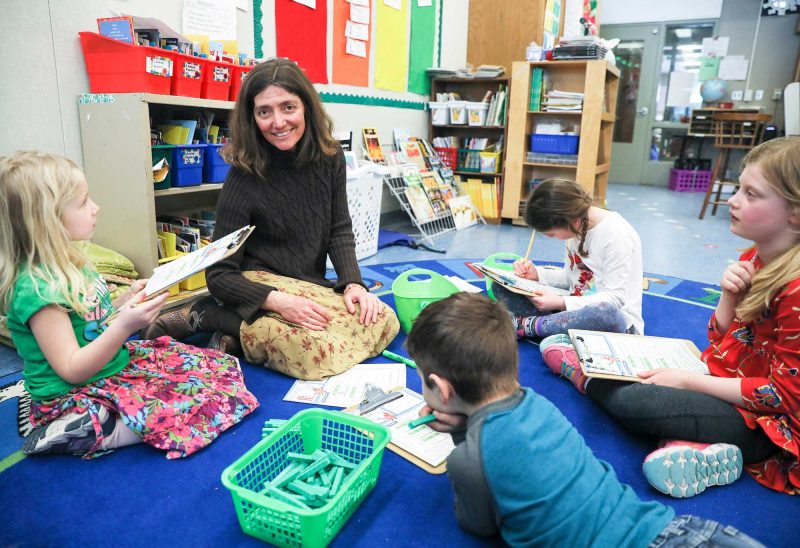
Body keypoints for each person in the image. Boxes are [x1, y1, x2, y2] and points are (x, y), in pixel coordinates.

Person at [546, 137, 800, 498]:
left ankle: (580, 371)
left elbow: (782, 398)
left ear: (795, 211)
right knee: (639, 371)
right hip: (727, 382)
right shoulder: (756, 258)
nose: (732, 199)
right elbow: (721, 340)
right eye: (738, 188)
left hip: (770, 425)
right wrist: (729, 297)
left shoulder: (796, 289)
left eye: (751, 193)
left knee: (635, 401)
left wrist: (687, 381)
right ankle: (689, 446)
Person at [405, 293, 763, 547]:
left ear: (440, 387)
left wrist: (461, 441)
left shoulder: (467, 461)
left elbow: (477, 525)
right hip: (679, 528)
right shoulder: (538, 405)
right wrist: (464, 427)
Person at [143, 57, 399, 380]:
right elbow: (220, 274)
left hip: (306, 284)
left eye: (288, 107)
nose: (277, 122)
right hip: (259, 283)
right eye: (264, 111)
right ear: (253, 116)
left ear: (306, 106)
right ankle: (206, 315)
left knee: (381, 319)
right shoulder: (243, 175)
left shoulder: (331, 158)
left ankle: (237, 332)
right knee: (312, 354)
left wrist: (352, 284)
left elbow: (339, 229)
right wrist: (278, 302)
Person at [0, 152, 258, 458]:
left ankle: (104, 420)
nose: (96, 208)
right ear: (46, 220)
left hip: (111, 365)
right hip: (73, 390)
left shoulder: (73, 259)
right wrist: (125, 326)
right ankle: (90, 429)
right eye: (83, 203)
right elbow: (72, 369)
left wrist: (124, 303)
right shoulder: (38, 290)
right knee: (190, 405)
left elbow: (90, 321)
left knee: (209, 369)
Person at [495, 178, 643, 344]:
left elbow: (615, 299)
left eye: (551, 234)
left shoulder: (617, 235)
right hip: (572, 307)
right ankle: (552, 331)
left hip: (615, 321)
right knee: (503, 286)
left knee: (603, 313)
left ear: (572, 220)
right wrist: (537, 275)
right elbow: (571, 277)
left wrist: (560, 303)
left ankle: (528, 326)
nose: (550, 237)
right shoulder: (575, 227)